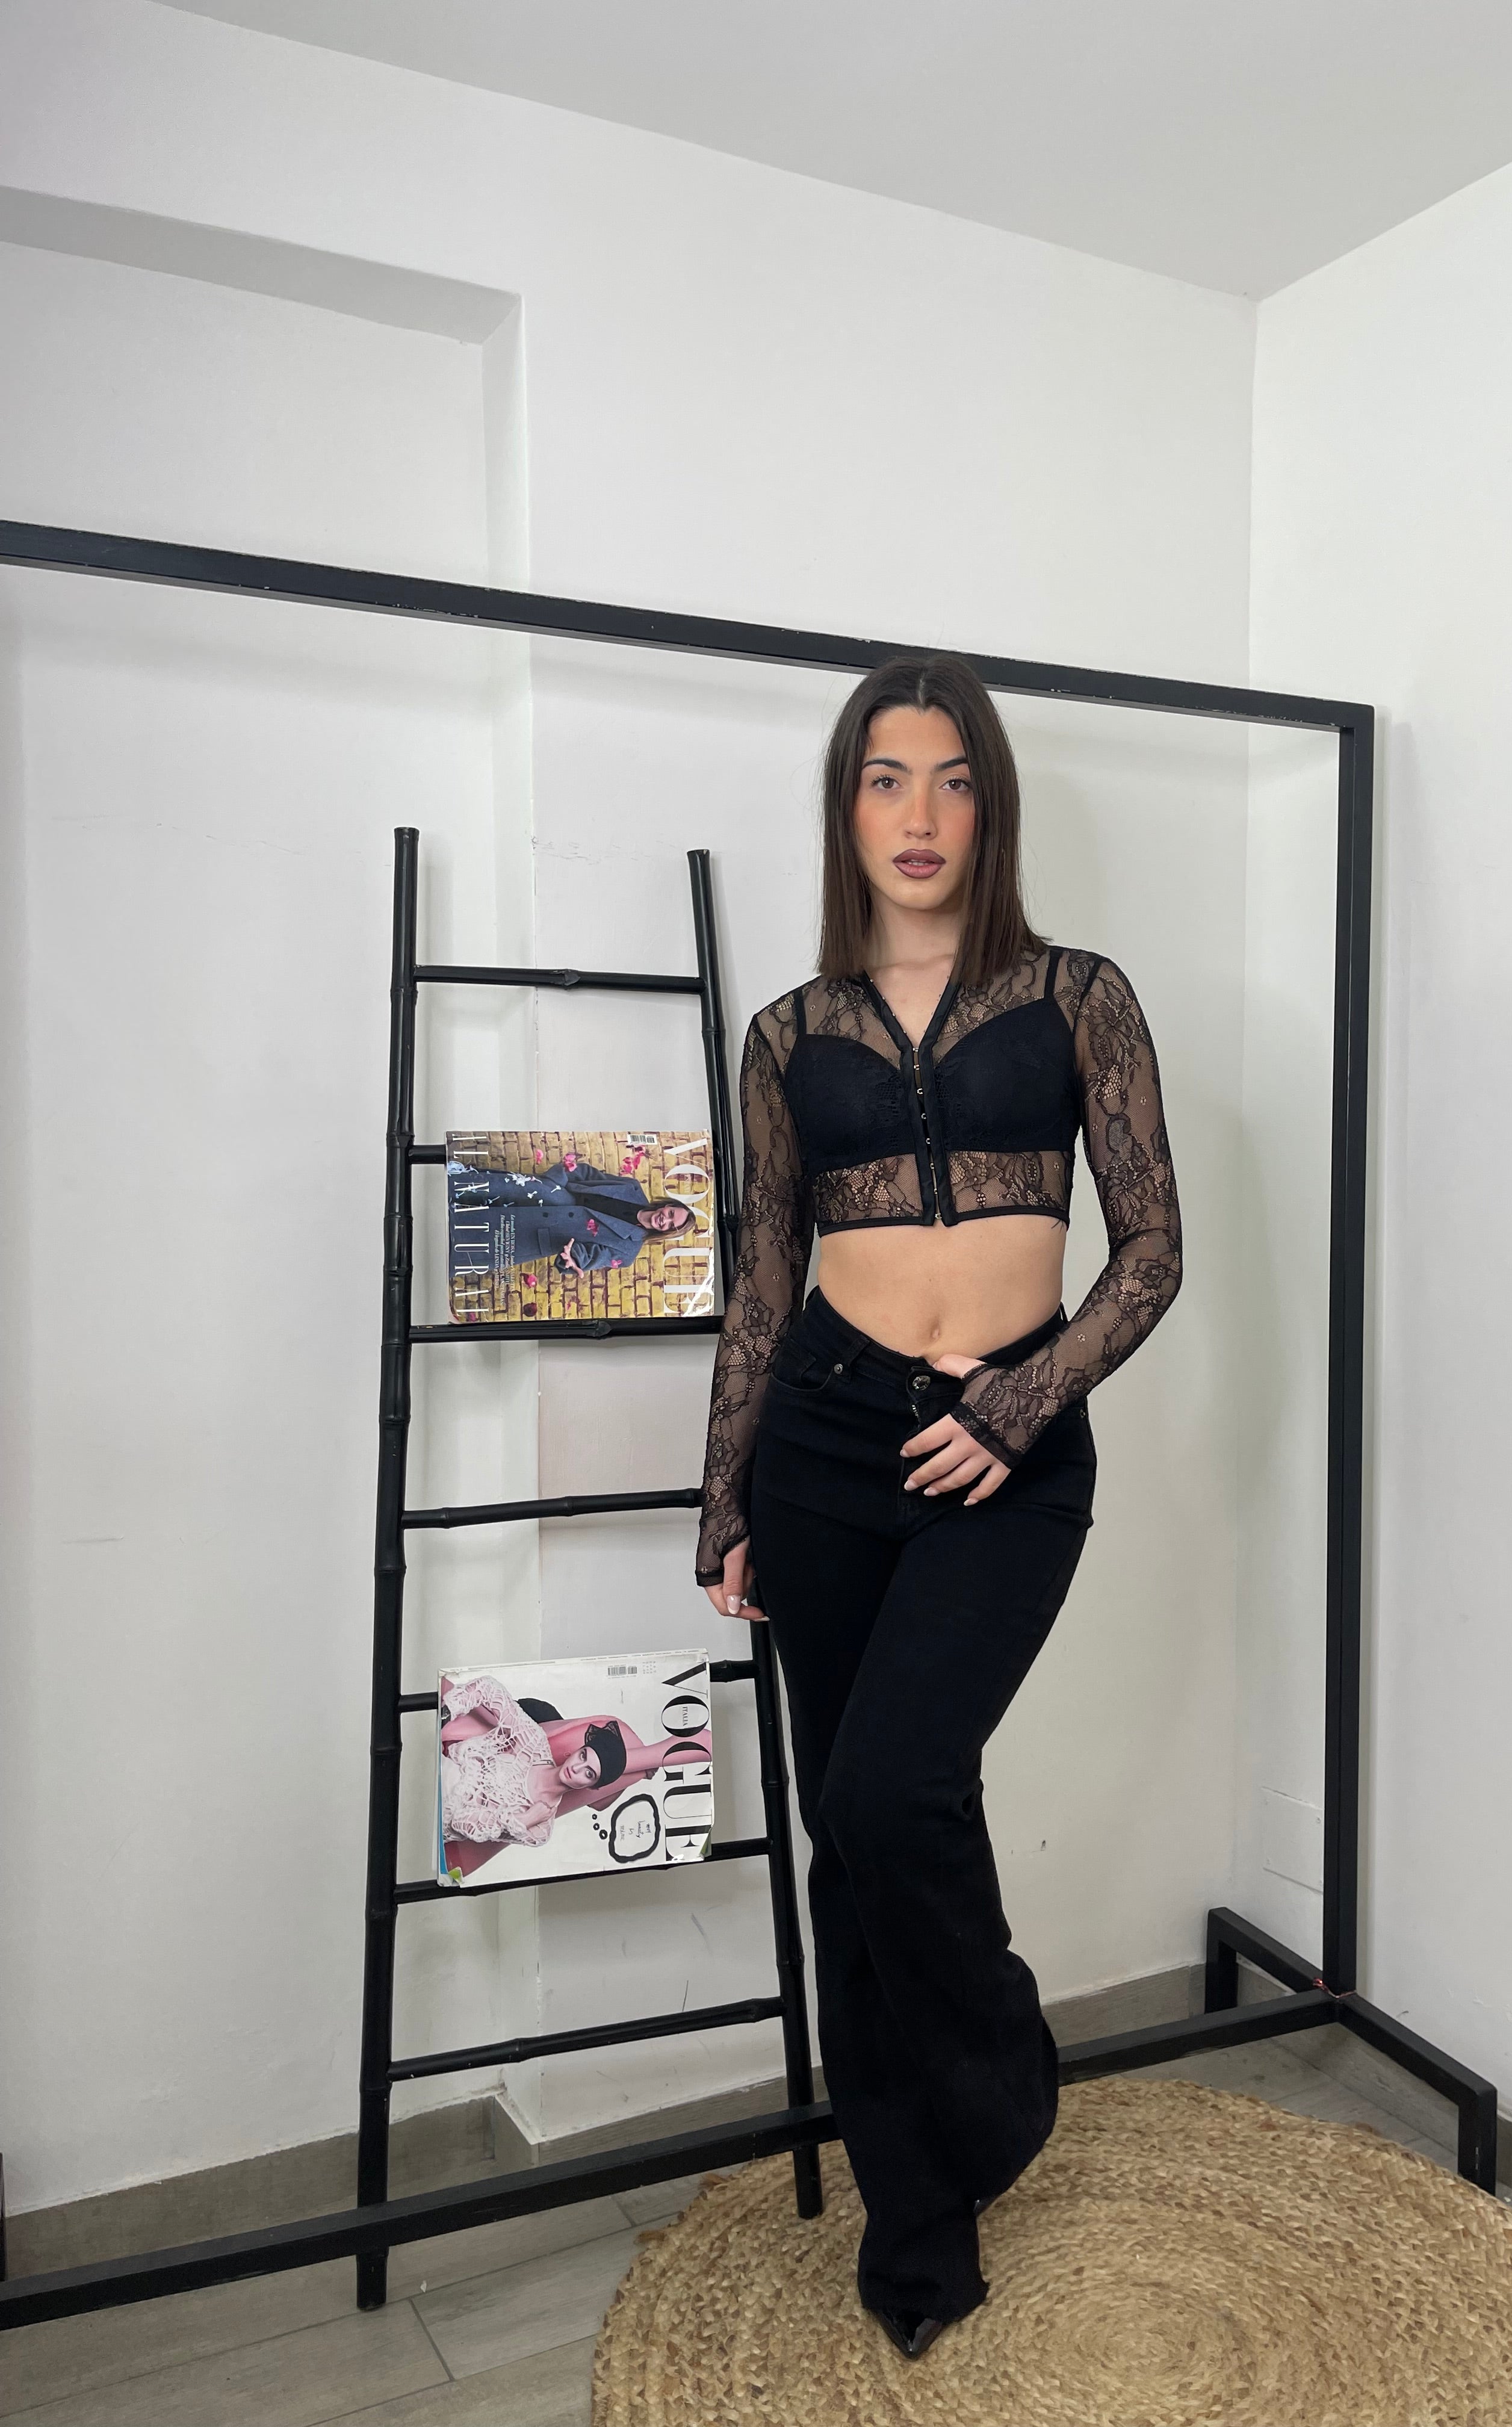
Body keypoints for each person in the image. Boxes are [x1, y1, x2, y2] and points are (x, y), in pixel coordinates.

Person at [695, 653, 1180, 2360]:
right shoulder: (788, 1035)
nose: (920, 814)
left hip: (1009, 1457)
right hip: (823, 1447)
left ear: (993, 806)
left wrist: (1022, 1403)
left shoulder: (1077, 997)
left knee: (893, 1790)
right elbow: (764, 1282)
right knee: (855, 1839)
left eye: (954, 779)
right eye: (886, 778)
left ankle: (999, 2073)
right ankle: (917, 2218)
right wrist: (725, 1498)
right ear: (847, 809)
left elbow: (1151, 1250)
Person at [438, 1676, 710, 1874]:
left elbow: (459, 1823)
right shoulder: (533, 1744)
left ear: (592, 1786)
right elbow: (488, 1689)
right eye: (582, 1756)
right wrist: (451, 1709)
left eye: (589, 1773)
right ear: (576, 1751)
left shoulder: (540, 1829)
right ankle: (661, 1755)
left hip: (433, 1814)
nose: (576, 1769)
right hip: (434, 1762)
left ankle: (665, 1755)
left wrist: (523, 1820)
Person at [448, 1153, 696, 1280]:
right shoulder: (631, 1188)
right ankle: (444, 1187)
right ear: (667, 1205)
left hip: (544, 1232)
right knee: (488, 1189)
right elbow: (588, 1174)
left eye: (670, 1225)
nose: (665, 1220)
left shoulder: (628, 1251)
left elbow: (591, 1257)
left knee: (473, 1237)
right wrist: (555, 1182)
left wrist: (573, 1259)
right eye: (670, 1214)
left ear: (666, 1232)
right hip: (543, 1194)